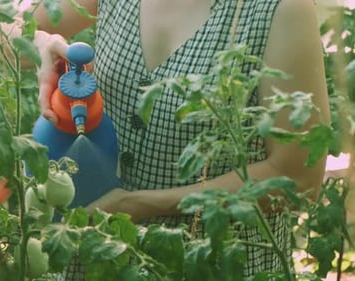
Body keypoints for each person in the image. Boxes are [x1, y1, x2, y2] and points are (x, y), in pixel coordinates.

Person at [16, 0, 330, 279]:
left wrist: (136, 204)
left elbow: (297, 180)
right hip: (98, 257)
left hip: (208, 260)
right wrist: (44, 43)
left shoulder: (282, 8)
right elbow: (8, 36)